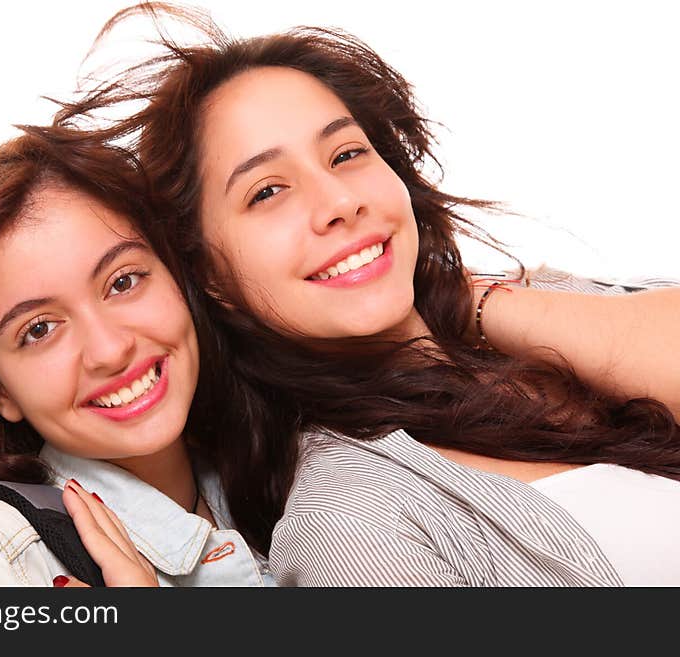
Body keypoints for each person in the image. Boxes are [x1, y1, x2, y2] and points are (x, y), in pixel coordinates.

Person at [54, 2, 680, 585]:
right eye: (267, 191)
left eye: (347, 153)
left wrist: (478, 303)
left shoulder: (540, 301)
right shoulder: (349, 524)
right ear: (212, 278)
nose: (338, 202)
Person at [0, 127, 272, 587]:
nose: (110, 350)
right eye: (39, 330)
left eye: (123, 282)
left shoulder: (284, 477)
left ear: (178, 276)